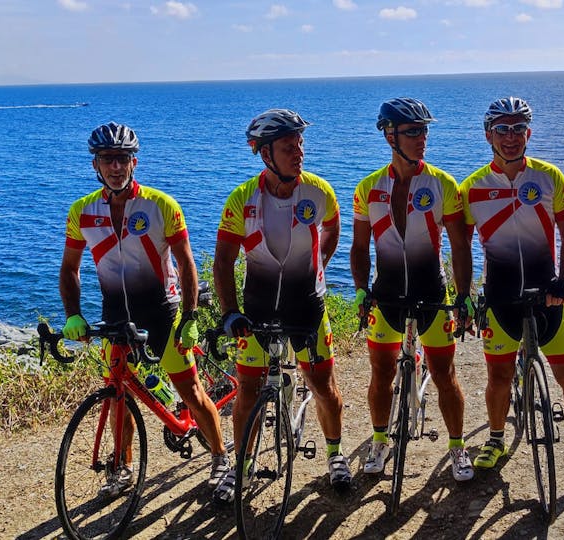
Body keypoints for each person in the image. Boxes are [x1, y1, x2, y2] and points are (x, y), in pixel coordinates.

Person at [458, 98, 564, 487]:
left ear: (528, 134)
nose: (510, 137)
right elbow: (461, 247)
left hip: (549, 294)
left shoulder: (550, 177)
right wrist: (466, 294)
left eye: (518, 128)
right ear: (488, 135)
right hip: (500, 298)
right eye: (502, 129)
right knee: (498, 377)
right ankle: (497, 439)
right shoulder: (471, 188)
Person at [59, 121, 229, 497]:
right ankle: (122, 468)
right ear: (96, 166)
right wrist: (73, 314)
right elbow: (70, 269)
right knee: (120, 396)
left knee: (192, 393)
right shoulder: (82, 212)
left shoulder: (159, 205)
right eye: (108, 159)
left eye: (122, 159)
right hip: (116, 315)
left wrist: (189, 317)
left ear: (134, 162)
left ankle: (220, 458)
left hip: (161, 312)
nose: (115, 167)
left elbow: (186, 263)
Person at [212, 109, 351, 502]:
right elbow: (223, 261)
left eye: (300, 144)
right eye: (289, 147)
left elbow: (334, 227)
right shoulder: (243, 198)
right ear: (265, 153)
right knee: (248, 392)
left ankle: (335, 454)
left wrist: (317, 268)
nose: (299, 152)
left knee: (323, 386)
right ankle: (241, 466)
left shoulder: (319, 191)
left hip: (307, 307)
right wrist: (229, 312)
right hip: (255, 312)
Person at [350, 97, 475, 482]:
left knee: (443, 373)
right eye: (413, 131)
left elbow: (459, 247)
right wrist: (359, 291)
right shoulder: (369, 188)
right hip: (385, 296)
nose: (422, 138)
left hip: (432, 294)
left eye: (425, 130)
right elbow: (358, 248)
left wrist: (464, 295)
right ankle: (380, 439)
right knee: (381, 372)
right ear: (390, 136)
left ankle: (457, 446)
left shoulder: (442, 184)